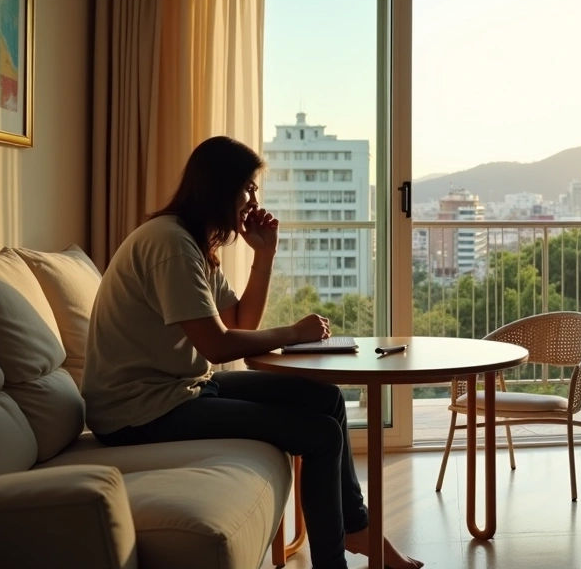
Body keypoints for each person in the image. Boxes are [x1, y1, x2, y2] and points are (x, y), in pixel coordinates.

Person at [82, 136, 422, 569]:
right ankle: (334, 559)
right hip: (138, 411)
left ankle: (356, 530)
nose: (252, 199)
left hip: (180, 389)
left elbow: (240, 321)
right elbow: (218, 344)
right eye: (247, 187)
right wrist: (293, 331)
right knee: (321, 435)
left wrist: (264, 254)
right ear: (220, 187)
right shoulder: (170, 244)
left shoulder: (192, 244)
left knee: (326, 398)